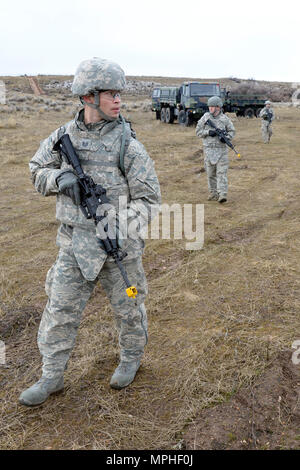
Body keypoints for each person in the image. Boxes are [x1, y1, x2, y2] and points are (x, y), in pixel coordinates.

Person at [19, 58, 161, 406]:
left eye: (119, 94)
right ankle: (51, 376)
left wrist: (121, 223)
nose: (119, 100)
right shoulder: (62, 136)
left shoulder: (128, 143)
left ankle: (131, 359)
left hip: (119, 249)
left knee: (129, 308)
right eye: (112, 94)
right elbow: (37, 168)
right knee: (59, 311)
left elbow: (150, 199)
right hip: (74, 245)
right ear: (88, 96)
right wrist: (59, 179)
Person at [196, 96, 235, 203]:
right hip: (208, 151)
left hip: (221, 151)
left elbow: (232, 131)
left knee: (221, 173)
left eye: (212, 107)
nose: (210, 109)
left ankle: (222, 194)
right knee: (210, 174)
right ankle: (213, 193)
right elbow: (198, 131)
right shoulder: (205, 118)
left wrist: (226, 138)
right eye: (209, 107)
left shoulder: (225, 119)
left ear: (218, 107)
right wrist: (208, 132)